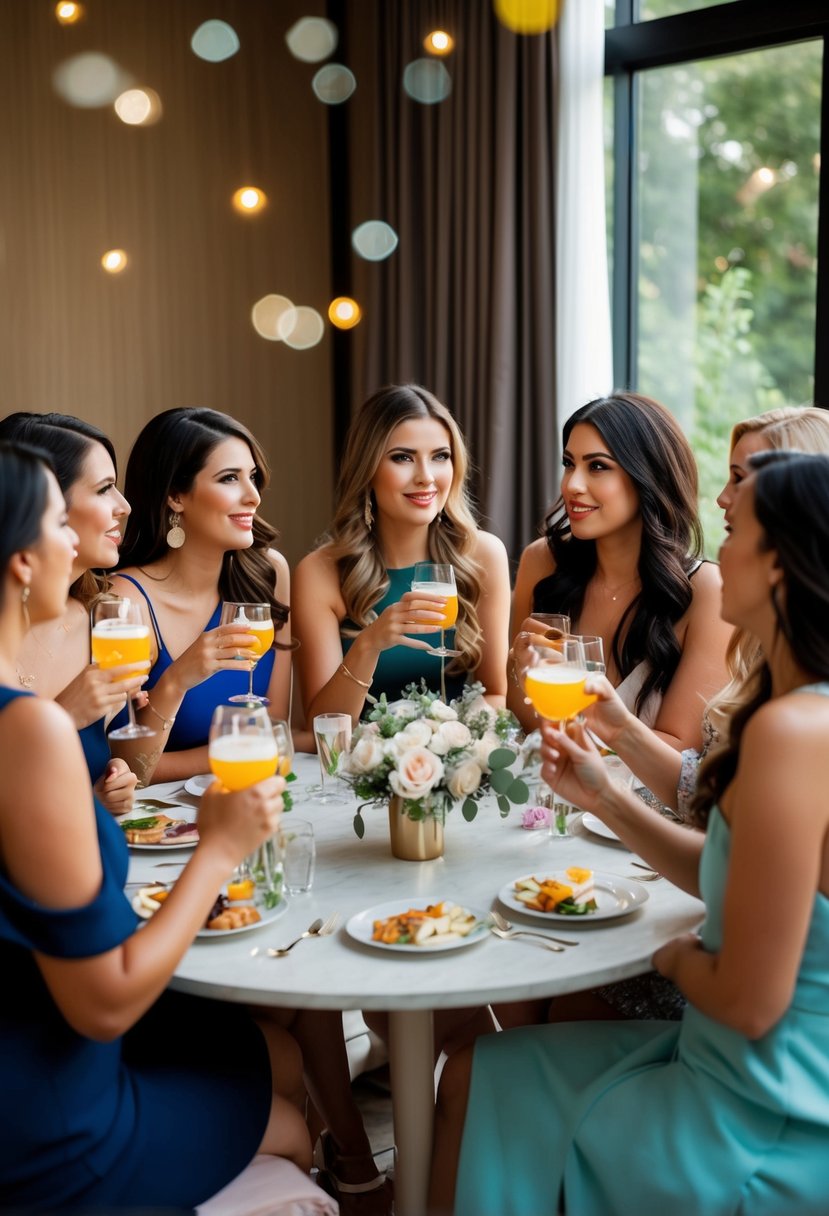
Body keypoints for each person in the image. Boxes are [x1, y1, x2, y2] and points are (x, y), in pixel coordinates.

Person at [431, 449, 829, 1216]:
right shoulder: (794, 706)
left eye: (736, 528)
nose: (716, 552)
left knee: (485, 1083)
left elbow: (746, 1002)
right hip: (731, 1061)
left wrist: (673, 957)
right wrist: (607, 795)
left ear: (778, 564)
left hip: (764, 1107)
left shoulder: (792, 730)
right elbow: (724, 864)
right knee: (476, 1070)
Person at [0, 440, 310, 1210]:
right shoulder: (27, 727)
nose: (77, 541)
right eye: (55, 522)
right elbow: (102, 1005)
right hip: (53, 1127)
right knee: (290, 1123)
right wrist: (219, 847)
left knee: (269, 1047)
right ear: (20, 562)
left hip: (33, 1034)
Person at [578, 404, 829, 821]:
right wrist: (617, 736)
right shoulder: (769, 660)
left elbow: (740, 874)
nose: (720, 498)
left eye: (741, 482)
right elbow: (716, 820)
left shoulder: (796, 722)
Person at [508, 391, 731, 748]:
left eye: (597, 466)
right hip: (552, 790)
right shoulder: (542, 562)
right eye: (569, 463)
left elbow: (678, 750)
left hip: (644, 803)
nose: (572, 485)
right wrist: (520, 672)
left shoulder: (706, 591)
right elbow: (527, 720)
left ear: (649, 476)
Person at [293, 384, 510, 725]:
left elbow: (496, 693)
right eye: (403, 457)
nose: (426, 477)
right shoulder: (321, 572)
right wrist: (370, 644)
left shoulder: (482, 555)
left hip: (451, 763)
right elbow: (323, 725)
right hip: (357, 769)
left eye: (440, 456)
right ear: (368, 470)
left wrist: (447, 742)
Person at [110, 406, 300, 783]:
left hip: (252, 796)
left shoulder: (269, 573)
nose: (253, 497)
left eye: (254, 477)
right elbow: (129, 768)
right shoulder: (125, 602)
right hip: (160, 825)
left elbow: (274, 727)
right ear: (176, 496)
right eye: (230, 478)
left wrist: (235, 754)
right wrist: (178, 679)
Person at [0, 411, 144, 814]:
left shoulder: (94, 621)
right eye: (104, 489)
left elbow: (113, 766)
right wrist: (67, 714)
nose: (125, 506)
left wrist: (112, 777)